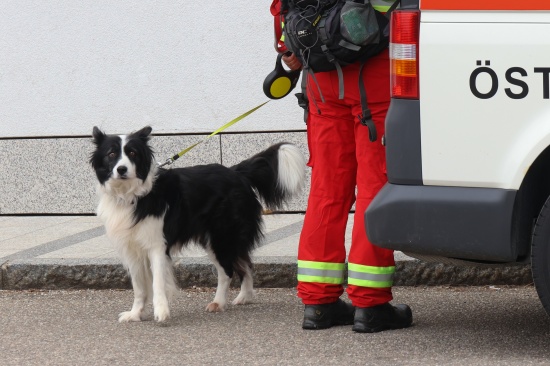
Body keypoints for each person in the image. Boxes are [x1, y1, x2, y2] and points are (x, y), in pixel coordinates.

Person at [270, 0, 413, 333]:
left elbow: (283, 36)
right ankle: (370, 304)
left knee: (326, 191)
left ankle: (318, 304)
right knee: (374, 191)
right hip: (374, 82)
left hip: (321, 86)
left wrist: (296, 53)